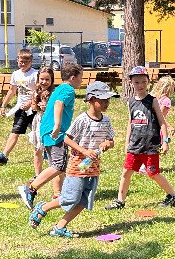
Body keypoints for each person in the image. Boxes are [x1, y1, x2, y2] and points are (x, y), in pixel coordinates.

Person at [29, 81, 118, 237]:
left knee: (84, 201)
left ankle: (60, 227)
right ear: (91, 99)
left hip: (93, 167)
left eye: (108, 99)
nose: (107, 103)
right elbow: (67, 139)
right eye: (103, 99)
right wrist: (84, 151)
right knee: (70, 198)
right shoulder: (82, 119)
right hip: (78, 165)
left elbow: (111, 141)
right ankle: (43, 208)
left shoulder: (106, 121)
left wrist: (107, 144)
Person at [105, 65, 175, 209]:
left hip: (150, 145)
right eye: (136, 82)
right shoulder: (131, 102)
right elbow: (130, 123)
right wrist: (127, 143)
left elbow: (162, 122)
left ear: (148, 82)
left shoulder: (152, 100)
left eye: (143, 82)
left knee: (153, 173)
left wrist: (165, 141)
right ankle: (120, 201)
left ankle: (173, 194)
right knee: (126, 172)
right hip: (135, 145)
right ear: (131, 83)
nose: (140, 85)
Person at [18, 61, 84, 209]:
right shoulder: (68, 89)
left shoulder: (60, 88)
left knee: (57, 165)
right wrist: (57, 126)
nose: (82, 81)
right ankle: (30, 188)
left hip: (46, 131)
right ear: (73, 77)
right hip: (55, 132)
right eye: (81, 77)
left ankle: (58, 193)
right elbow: (59, 103)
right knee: (59, 165)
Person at [0, 48, 38, 165]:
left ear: (31, 62)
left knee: (38, 132)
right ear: (17, 60)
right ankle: (4, 156)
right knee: (15, 130)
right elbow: (12, 91)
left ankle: (46, 152)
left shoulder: (35, 74)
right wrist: (3, 106)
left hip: (34, 109)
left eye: (26, 62)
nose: (23, 64)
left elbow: (40, 92)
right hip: (21, 109)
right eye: (20, 62)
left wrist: (31, 102)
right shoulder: (16, 74)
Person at [26, 67, 55, 180]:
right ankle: (38, 174)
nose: (44, 82)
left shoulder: (54, 93)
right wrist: (36, 105)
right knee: (37, 148)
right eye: (42, 79)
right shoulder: (36, 92)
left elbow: (57, 109)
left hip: (51, 121)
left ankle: (54, 171)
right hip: (39, 120)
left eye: (47, 79)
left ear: (52, 80)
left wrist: (47, 107)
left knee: (51, 148)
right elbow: (34, 108)